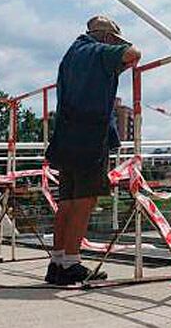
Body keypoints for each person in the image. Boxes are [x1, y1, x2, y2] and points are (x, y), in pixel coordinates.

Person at [44, 16, 141, 285]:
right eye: (113, 40)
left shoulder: (70, 56)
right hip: (90, 136)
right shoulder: (98, 51)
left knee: (66, 201)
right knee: (85, 200)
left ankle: (58, 262)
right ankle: (72, 263)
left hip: (66, 137)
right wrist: (122, 55)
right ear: (106, 38)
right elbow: (133, 53)